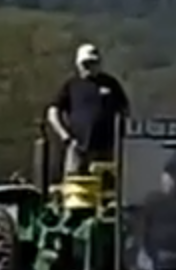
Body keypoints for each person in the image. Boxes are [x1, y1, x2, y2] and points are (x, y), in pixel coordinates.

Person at [47, 42, 130, 176]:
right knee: (74, 183)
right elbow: (53, 112)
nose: (89, 67)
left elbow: (125, 110)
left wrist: (122, 137)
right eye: (85, 64)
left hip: (107, 149)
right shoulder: (71, 85)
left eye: (92, 63)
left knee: (107, 186)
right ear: (78, 65)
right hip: (78, 148)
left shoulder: (111, 84)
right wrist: (65, 137)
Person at [139, 157, 176, 270]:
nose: (173, 182)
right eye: (170, 178)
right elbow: (144, 231)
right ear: (163, 178)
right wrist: (151, 255)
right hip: (154, 260)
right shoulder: (152, 200)